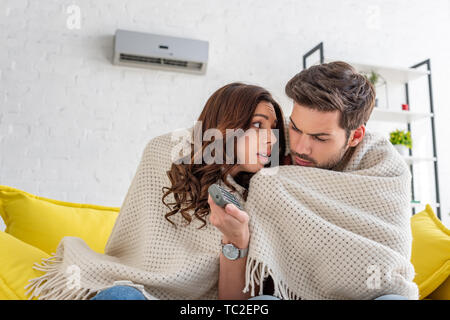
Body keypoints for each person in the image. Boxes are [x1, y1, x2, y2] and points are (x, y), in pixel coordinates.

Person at [90, 82, 286, 300]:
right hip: (143, 294)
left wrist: (236, 239)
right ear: (227, 127)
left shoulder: (262, 197)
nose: (272, 139)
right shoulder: (165, 156)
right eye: (258, 125)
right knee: (120, 296)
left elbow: (235, 302)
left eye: (274, 129)